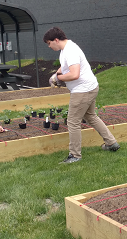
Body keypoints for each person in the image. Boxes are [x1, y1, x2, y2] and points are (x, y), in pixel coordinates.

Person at [43, 27, 120, 163]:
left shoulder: (70, 50)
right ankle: (111, 143)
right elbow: (65, 67)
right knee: (91, 116)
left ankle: (75, 155)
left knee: (72, 121)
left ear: (56, 40)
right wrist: (56, 74)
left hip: (83, 90)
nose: (49, 46)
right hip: (89, 87)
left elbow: (74, 74)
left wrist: (59, 79)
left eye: (49, 43)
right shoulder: (65, 50)